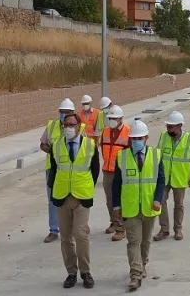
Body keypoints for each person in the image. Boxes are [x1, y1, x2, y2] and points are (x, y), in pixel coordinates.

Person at [48, 113, 101, 288]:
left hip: (81, 197)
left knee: (81, 234)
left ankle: (85, 272)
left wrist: (86, 187)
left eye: (72, 125)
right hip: (62, 197)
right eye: (66, 125)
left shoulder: (90, 145)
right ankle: (71, 272)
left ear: (79, 126)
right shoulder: (56, 146)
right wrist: (54, 193)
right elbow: (54, 171)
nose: (69, 128)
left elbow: (94, 171)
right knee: (66, 238)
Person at [112, 120, 165, 291]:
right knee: (133, 241)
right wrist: (116, 207)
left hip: (150, 206)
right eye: (133, 138)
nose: (136, 141)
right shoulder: (122, 156)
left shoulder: (156, 155)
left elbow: (161, 180)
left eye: (139, 138)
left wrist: (158, 199)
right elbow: (116, 184)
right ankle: (135, 275)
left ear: (146, 138)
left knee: (145, 241)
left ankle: (143, 265)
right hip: (130, 207)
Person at [40, 98, 84, 243]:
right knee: (53, 200)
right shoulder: (52, 125)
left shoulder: (79, 127)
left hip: (72, 170)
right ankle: (53, 230)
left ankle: (70, 229)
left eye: (67, 112)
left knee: (72, 199)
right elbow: (43, 144)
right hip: (53, 169)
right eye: (62, 112)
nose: (64, 114)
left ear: (73, 113)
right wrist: (54, 152)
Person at [153, 111, 190, 242]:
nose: (168, 129)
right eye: (167, 126)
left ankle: (178, 229)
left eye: (171, 127)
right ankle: (164, 229)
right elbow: (157, 156)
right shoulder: (163, 136)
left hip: (180, 178)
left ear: (180, 126)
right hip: (164, 178)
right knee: (160, 202)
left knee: (179, 204)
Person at [99, 105, 130, 241]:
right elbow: (103, 149)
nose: (112, 120)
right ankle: (114, 221)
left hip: (122, 172)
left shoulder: (128, 131)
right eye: (110, 118)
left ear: (121, 119)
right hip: (107, 171)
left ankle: (120, 228)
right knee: (110, 200)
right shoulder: (105, 132)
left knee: (120, 200)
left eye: (115, 118)